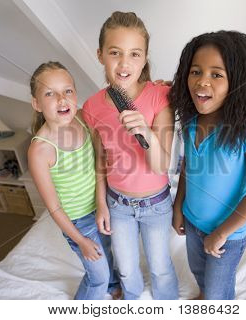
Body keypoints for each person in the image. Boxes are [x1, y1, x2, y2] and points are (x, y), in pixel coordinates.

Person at [169, 31, 246, 300]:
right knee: (199, 273)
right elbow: (187, 166)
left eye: (216, 74)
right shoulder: (191, 118)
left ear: (239, 82)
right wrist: (178, 206)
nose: (202, 82)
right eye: (195, 71)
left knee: (219, 292)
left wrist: (221, 233)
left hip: (227, 233)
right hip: (193, 222)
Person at [82, 12, 178, 300]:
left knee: (160, 268)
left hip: (156, 205)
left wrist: (146, 133)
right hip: (118, 205)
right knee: (125, 269)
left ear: (145, 57)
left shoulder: (161, 97)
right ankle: (132, 302)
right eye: (115, 53)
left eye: (135, 54)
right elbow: (99, 161)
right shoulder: (91, 107)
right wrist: (101, 204)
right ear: (100, 55)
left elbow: (162, 165)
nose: (125, 64)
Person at [27, 61, 121, 300]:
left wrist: (156, 86)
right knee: (96, 274)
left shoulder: (82, 119)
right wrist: (81, 241)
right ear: (36, 104)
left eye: (68, 90)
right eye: (50, 93)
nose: (62, 98)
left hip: (101, 206)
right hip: (78, 222)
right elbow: (54, 207)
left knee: (108, 250)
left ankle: (112, 285)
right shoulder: (41, 150)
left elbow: (111, 100)